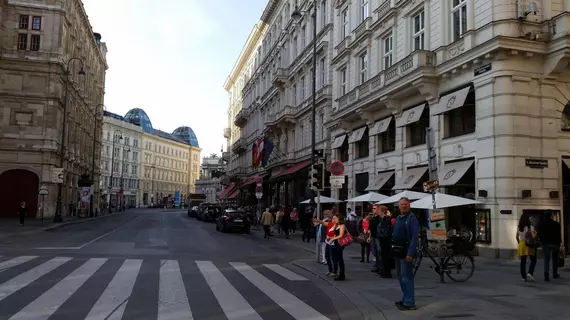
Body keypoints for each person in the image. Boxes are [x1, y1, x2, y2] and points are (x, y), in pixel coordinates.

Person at [392, 197, 419, 310]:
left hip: (406, 251)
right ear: (399, 206)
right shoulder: (399, 218)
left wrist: (411, 253)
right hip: (398, 251)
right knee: (400, 276)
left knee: (406, 277)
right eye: (402, 204)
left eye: (406, 204)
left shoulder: (412, 219)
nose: (404, 206)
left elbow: (414, 237)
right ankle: (405, 298)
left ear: (409, 205)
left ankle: (410, 302)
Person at [538, 211, 562, 281]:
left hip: (545, 244)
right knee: (555, 259)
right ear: (551, 216)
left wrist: (541, 242)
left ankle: (546, 275)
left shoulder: (541, 224)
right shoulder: (556, 224)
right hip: (555, 243)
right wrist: (560, 243)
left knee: (546, 259)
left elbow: (539, 234)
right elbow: (558, 234)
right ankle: (554, 274)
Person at [516, 213, 537, 282]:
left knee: (523, 261)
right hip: (529, 244)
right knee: (533, 260)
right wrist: (535, 233)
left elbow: (516, 236)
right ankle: (530, 273)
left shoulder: (519, 227)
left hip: (522, 244)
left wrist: (519, 242)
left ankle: (523, 277)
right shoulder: (530, 227)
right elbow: (533, 236)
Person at [328, 213, 347, 281]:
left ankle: (342, 275)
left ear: (339, 218)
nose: (334, 219)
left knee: (340, 259)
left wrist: (333, 239)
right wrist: (331, 237)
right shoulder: (337, 225)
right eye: (334, 218)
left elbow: (341, 235)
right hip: (336, 243)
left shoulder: (342, 225)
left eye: (336, 218)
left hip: (340, 244)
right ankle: (340, 273)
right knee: (337, 259)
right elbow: (336, 235)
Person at [377, 205, 393, 278]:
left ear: (383, 211)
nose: (377, 212)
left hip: (385, 240)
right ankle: (385, 271)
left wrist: (384, 236)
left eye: (379, 210)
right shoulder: (382, 219)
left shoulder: (386, 219)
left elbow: (386, 230)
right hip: (382, 239)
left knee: (385, 256)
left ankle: (387, 272)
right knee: (383, 256)